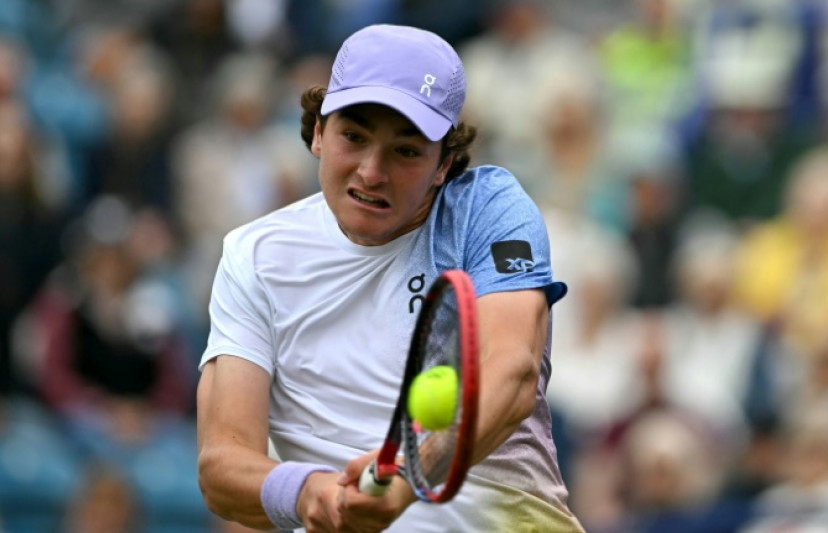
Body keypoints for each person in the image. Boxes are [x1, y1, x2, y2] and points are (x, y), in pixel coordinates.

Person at [196, 24, 585, 532]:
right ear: (318, 132)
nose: (371, 172)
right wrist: (309, 492)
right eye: (353, 138)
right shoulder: (252, 255)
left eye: (405, 151)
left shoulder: (486, 210)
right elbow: (222, 465)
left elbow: (511, 373)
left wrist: (407, 476)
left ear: (444, 163)